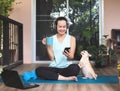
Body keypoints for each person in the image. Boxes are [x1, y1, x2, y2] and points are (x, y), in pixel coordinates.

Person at [23, 17, 80, 81]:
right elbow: (52, 58)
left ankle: (55, 76)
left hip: (66, 67)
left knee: (76, 68)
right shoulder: (51, 39)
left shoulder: (72, 39)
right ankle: (66, 78)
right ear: (56, 27)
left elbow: (71, 57)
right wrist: (47, 45)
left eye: (64, 27)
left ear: (67, 27)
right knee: (38, 70)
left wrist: (68, 55)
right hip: (54, 68)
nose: (62, 29)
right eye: (60, 27)